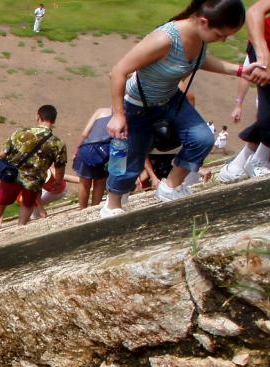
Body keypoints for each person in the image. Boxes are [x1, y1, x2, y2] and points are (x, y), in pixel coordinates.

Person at [105, 0, 265, 217]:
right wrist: (118, 115)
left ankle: (170, 187)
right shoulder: (165, 39)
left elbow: (199, 60)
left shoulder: (199, 36)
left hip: (170, 99)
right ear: (203, 22)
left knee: (202, 138)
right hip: (138, 106)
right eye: (220, 35)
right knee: (131, 162)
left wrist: (241, 70)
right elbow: (118, 72)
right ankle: (113, 205)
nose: (223, 40)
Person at [0, 105, 67, 226]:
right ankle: (21, 227)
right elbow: (60, 167)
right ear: (54, 120)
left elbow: (2, 153)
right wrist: (58, 182)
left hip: (12, 175)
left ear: (38, 116)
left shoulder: (20, 133)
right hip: (34, 180)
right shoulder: (58, 143)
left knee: (1, 203)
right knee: (27, 204)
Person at [220, 0, 270, 182]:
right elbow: (255, 12)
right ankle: (258, 160)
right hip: (266, 48)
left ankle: (240, 163)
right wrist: (265, 58)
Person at [73, 107, 112, 209]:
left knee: (84, 182)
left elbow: (85, 134)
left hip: (87, 148)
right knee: (100, 182)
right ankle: (94, 208)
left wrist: (76, 151)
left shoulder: (100, 111)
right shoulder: (124, 116)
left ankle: (82, 209)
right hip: (103, 152)